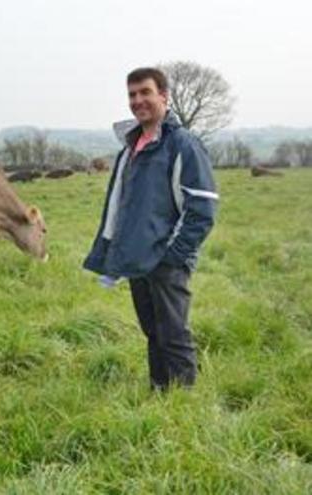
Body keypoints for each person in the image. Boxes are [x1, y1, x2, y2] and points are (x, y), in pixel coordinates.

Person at [83, 67, 218, 390]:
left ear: (163, 96)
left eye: (145, 92)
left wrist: (173, 255)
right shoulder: (130, 148)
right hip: (138, 258)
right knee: (153, 332)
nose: (138, 100)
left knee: (173, 335)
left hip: (166, 258)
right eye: (132, 95)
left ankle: (183, 405)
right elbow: (121, 205)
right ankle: (160, 394)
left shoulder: (182, 144)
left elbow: (202, 207)